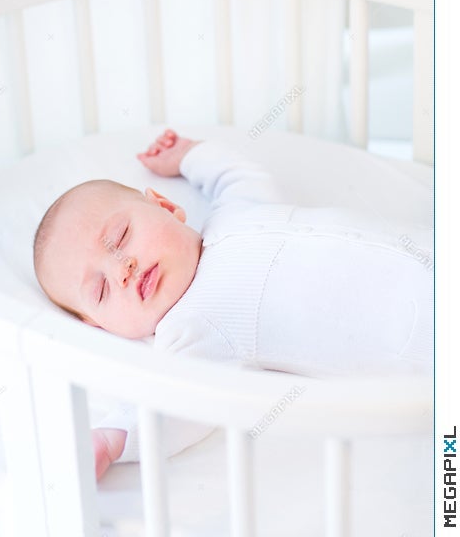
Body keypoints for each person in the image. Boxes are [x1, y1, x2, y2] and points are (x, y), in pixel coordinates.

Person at [33, 129, 433, 479]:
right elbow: (178, 405)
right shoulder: (192, 329)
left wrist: (189, 155)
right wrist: (112, 438)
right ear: (100, 325)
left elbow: (239, 175)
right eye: (101, 290)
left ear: (165, 207)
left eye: (120, 237)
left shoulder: (237, 209)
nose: (124, 269)